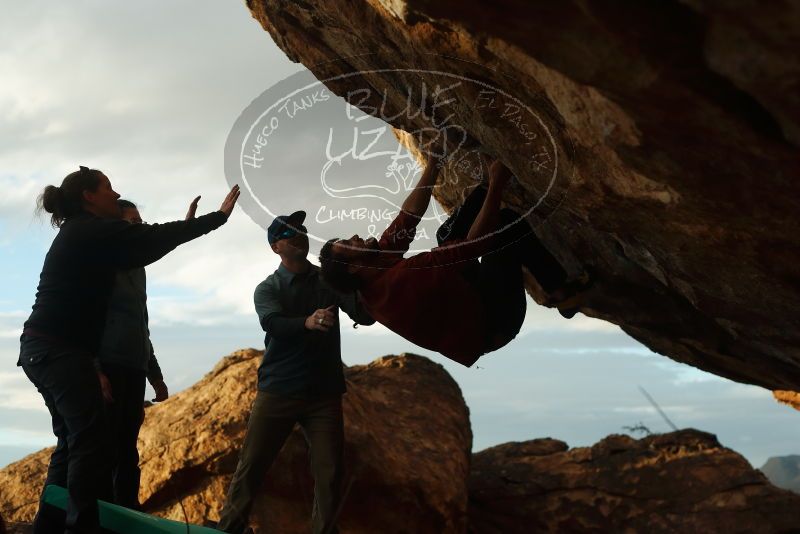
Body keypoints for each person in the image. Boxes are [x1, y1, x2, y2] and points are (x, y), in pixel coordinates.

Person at [19, 166, 239, 534]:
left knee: (73, 443)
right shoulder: (91, 230)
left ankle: (49, 526)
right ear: (89, 196)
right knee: (90, 444)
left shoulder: (87, 235)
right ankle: (82, 527)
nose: (115, 194)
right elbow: (151, 237)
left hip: (43, 348)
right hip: (59, 351)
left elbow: (146, 246)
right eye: (107, 188)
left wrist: (187, 229)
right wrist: (214, 220)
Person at [319, 154, 591, 367]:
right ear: (354, 266)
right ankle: (563, 293)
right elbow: (474, 246)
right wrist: (499, 183)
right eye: (348, 244)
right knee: (505, 228)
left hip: (468, 300)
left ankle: (484, 184)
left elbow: (408, 218)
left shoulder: (374, 269)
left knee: (445, 233)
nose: (354, 236)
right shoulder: (401, 281)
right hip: (494, 322)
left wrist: (434, 161)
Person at [217, 210, 374, 534]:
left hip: (323, 394)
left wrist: (365, 273)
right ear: (275, 246)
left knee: (330, 474)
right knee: (252, 468)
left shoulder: (328, 280)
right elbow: (272, 323)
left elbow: (364, 314)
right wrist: (307, 321)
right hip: (278, 390)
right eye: (289, 232)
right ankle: (229, 530)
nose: (299, 234)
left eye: (301, 230)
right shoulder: (267, 288)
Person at [95, 197, 197, 510]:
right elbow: (85, 321)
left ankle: (127, 510)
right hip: (107, 366)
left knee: (128, 448)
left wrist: (156, 377)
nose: (140, 228)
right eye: (133, 223)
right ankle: (94, 517)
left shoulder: (138, 270)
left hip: (134, 367)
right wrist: (94, 370)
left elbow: (142, 325)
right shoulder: (100, 264)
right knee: (103, 447)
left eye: (141, 222)